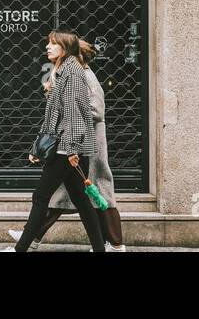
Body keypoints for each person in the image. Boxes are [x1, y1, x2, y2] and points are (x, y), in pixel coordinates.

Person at [9, 39, 125, 251]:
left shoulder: (83, 75)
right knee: (78, 199)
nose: (47, 47)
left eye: (54, 44)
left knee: (60, 196)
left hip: (80, 144)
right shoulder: (66, 74)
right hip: (72, 144)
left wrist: (70, 138)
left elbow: (94, 110)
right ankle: (33, 238)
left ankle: (115, 245)